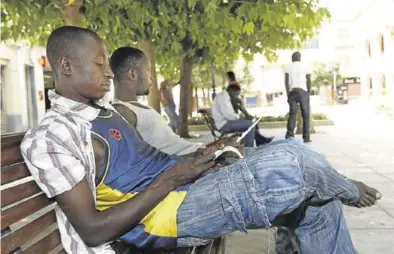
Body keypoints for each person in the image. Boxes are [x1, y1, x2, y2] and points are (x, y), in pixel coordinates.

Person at [21, 27, 382, 254]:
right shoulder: (52, 137)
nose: (107, 72)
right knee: (294, 159)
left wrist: (203, 158)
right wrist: (175, 177)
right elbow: (92, 229)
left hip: (186, 193)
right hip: (164, 219)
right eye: (99, 63)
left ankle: (338, 189)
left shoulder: (104, 112)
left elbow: (154, 163)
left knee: (321, 204)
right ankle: (349, 186)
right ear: (66, 66)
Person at [212, 83, 273, 147]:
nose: (237, 96)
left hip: (226, 122)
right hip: (223, 124)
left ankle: (261, 141)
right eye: (237, 94)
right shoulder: (223, 97)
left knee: (251, 123)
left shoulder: (225, 96)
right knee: (250, 124)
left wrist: (241, 114)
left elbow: (230, 114)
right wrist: (241, 117)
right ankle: (249, 148)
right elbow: (229, 115)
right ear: (232, 91)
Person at [285, 51, 312, 143]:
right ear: (300, 58)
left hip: (293, 91)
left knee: (292, 115)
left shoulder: (288, 66)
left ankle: (289, 135)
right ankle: (306, 137)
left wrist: (288, 93)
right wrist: (308, 92)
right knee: (305, 115)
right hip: (303, 91)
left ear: (292, 58)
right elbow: (308, 79)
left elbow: (286, 81)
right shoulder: (305, 66)